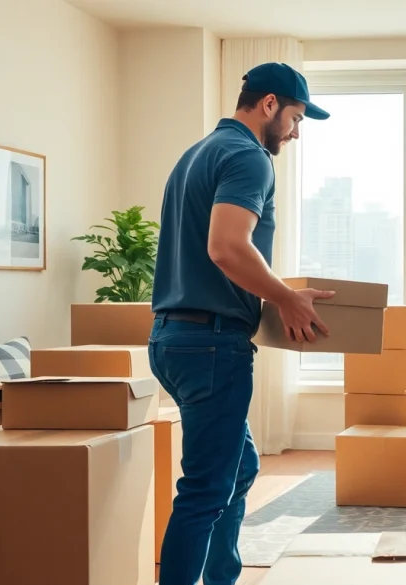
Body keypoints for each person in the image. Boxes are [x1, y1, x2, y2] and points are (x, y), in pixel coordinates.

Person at [148, 62, 336, 585]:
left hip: (171, 338)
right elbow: (227, 247)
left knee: (241, 467)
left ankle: (221, 577)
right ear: (270, 104)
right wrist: (287, 299)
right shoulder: (249, 157)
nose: (296, 133)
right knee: (205, 490)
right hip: (210, 345)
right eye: (296, 118)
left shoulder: (197, 153)